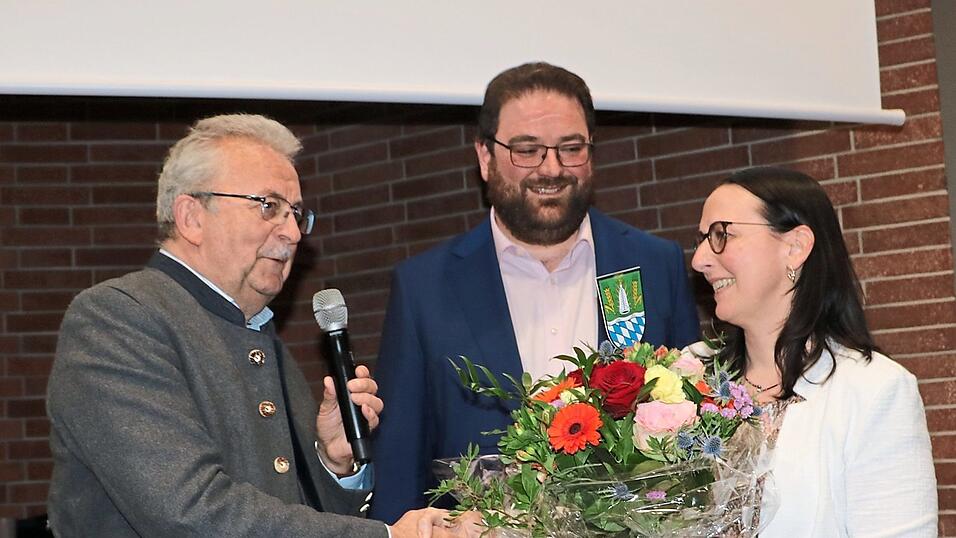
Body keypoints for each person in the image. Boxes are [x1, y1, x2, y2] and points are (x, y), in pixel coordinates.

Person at [46, 114, 480, 538]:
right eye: (268, 206)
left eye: (296, 213)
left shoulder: (259, 334)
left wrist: (332, 461)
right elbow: (187, 512)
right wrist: (387, 536)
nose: (292, 232)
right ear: (192, 217)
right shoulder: (117, 319)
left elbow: (292, 512)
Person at [371, 62, 701, 522]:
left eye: (571, 148)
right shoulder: (424, 287)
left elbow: (697, 428)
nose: (552, 168)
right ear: (485, 157)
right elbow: (400, 464)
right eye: (527, 150)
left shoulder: (652, 264)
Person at [690, 166, 938, 536]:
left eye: (721, 234)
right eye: (701, 239)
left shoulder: (873, 392)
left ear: (795, 247)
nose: (699, 259)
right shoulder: (685, 379)